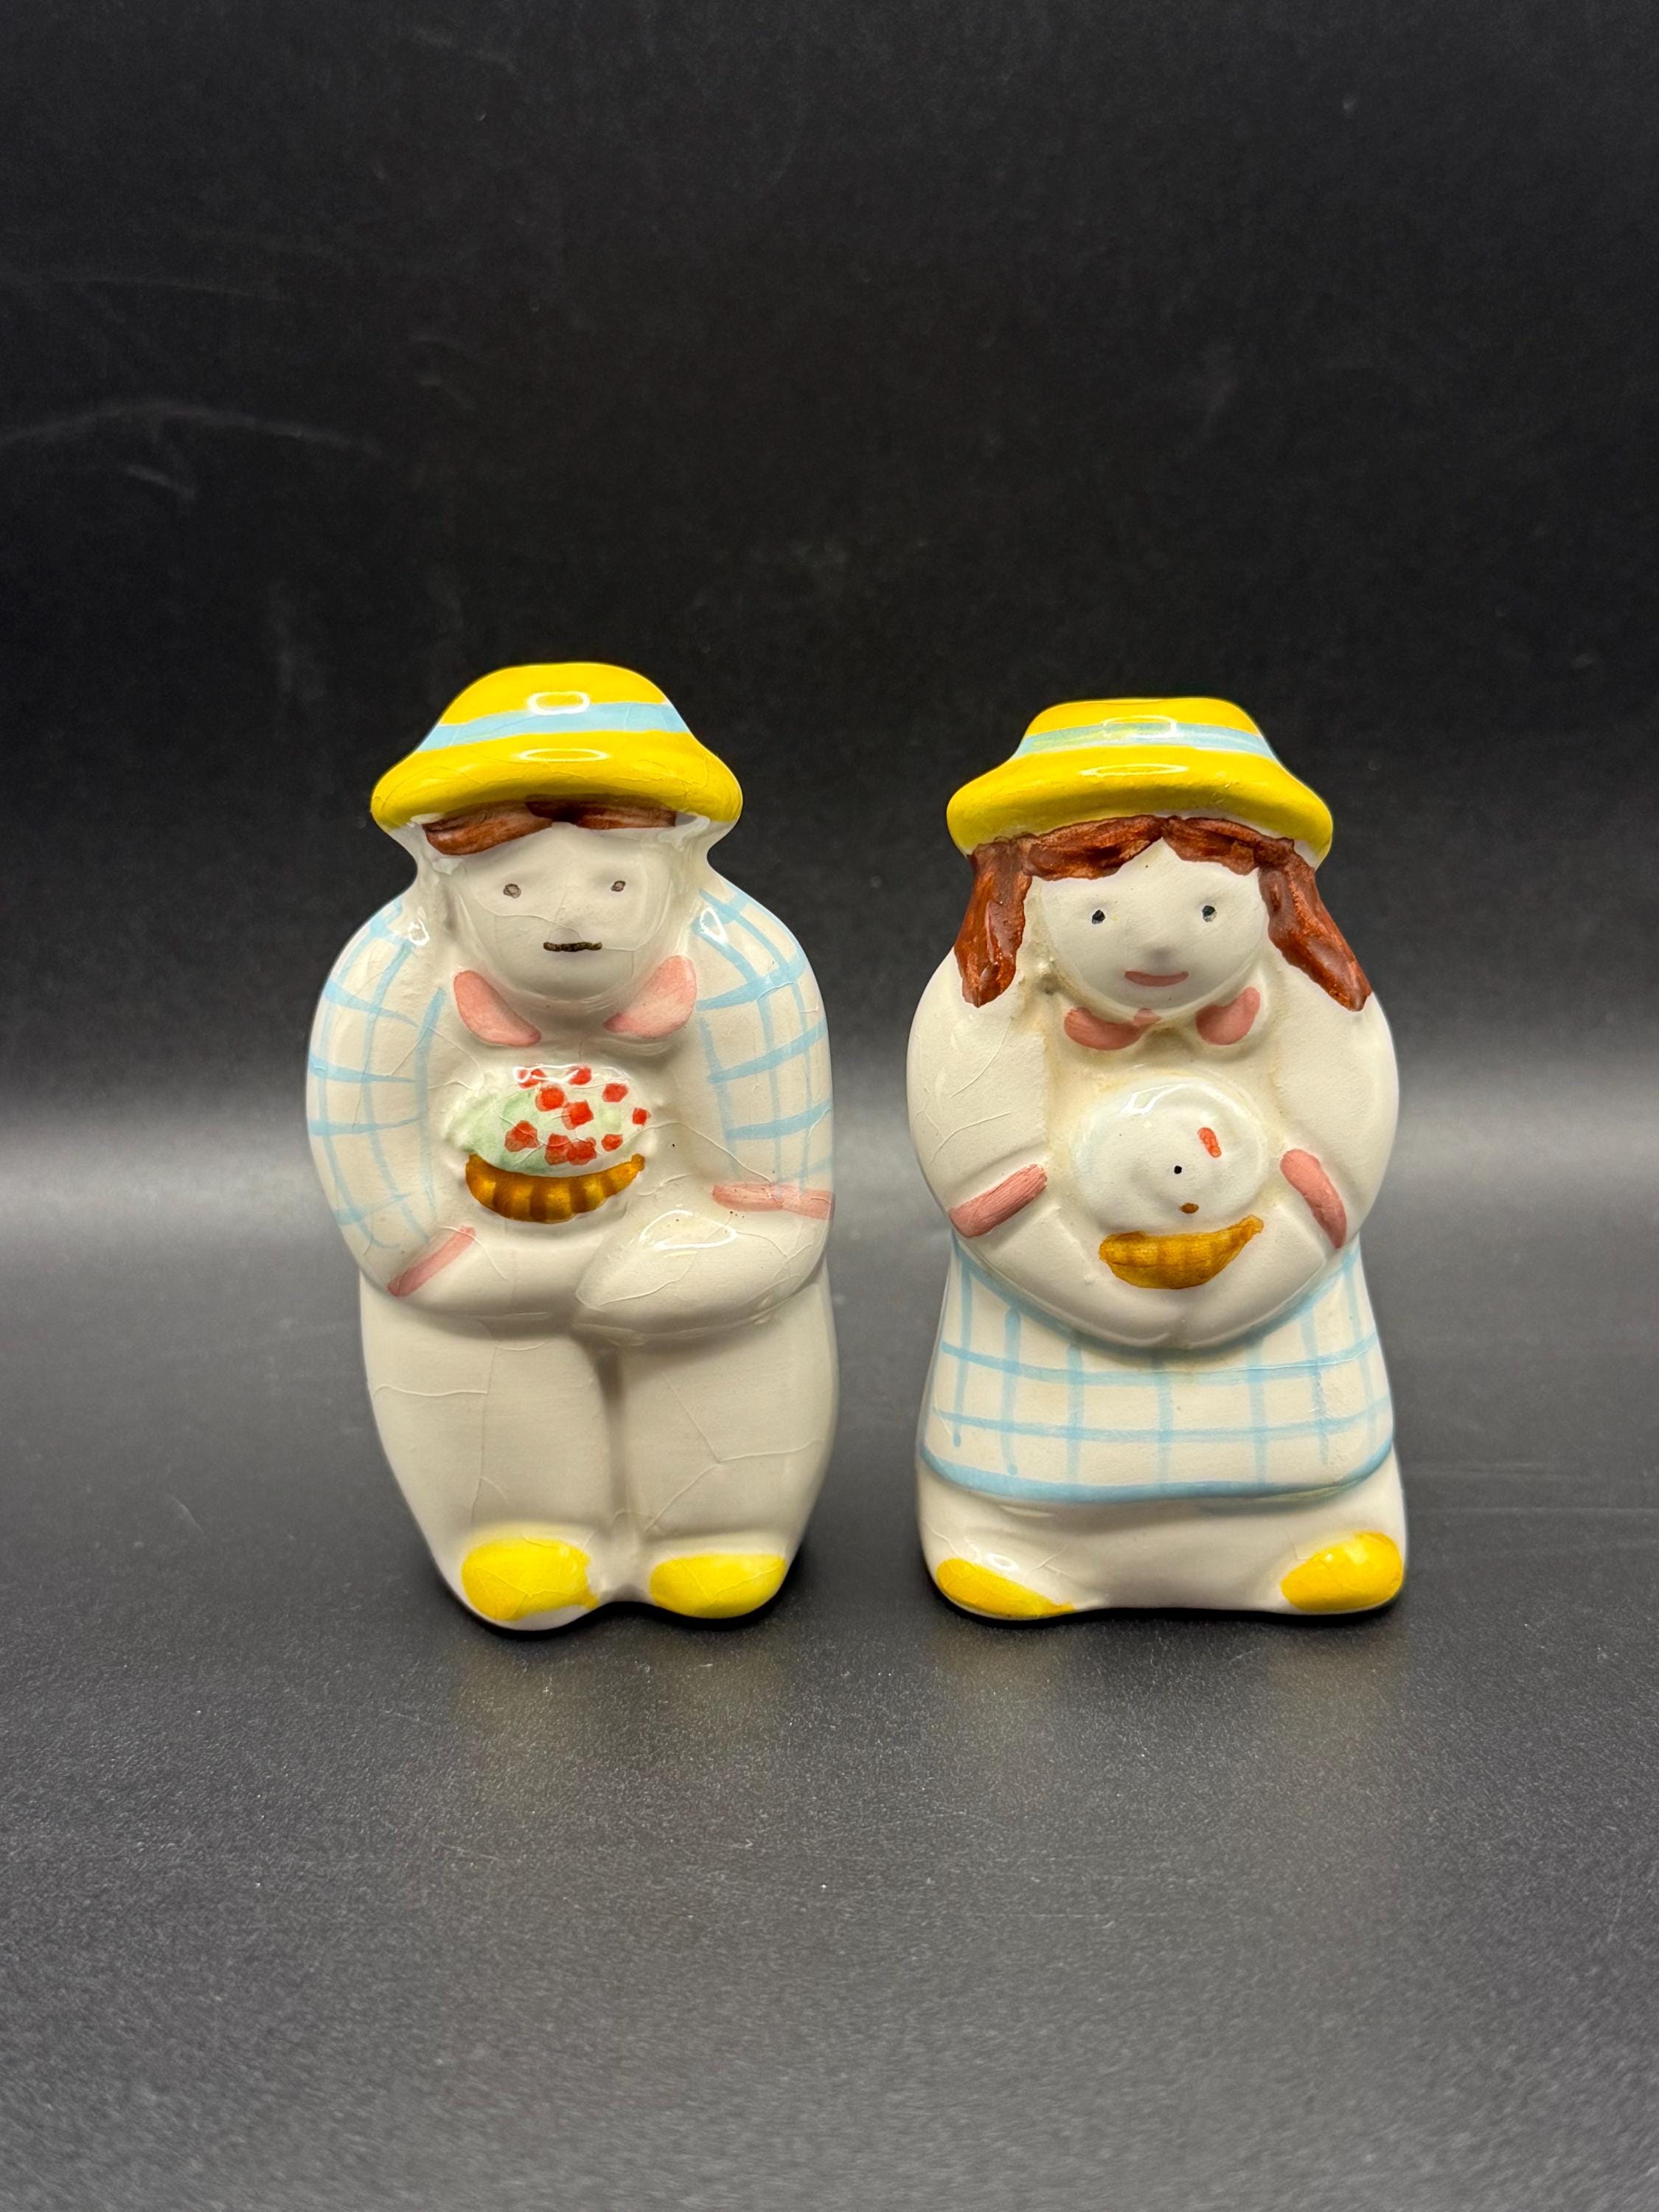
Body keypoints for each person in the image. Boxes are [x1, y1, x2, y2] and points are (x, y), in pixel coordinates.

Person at [309, 664, 835, 1630]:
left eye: (614, 881)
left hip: (688, 1258)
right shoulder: (389, 980)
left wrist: (696, 1262)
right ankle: (519, 1527)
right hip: (475, 1267)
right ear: (450, 876)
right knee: (485, 1375)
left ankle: (718, 1524)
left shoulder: (745, 966)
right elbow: (372, 1178)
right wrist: (464, 1262)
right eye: (515, 884)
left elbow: (785, 1195)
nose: (569, 919)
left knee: (729, 1360)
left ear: (675, 861)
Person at [908, 697, 1402, 1618]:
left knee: (1295, 1439)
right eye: (1101, 910)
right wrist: (1090, 1287)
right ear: (1024, 899)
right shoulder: (984, 1003)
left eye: (1208, 906)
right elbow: (978, 1171)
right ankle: (1013, 1540)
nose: (1164, 941)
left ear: (1274, 895)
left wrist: (1260, 1274)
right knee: (1041, 1445)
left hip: (1271, 1275)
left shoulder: (1317, 995)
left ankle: (1315, 1533)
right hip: (1055, 1288)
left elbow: (1344, 1153)